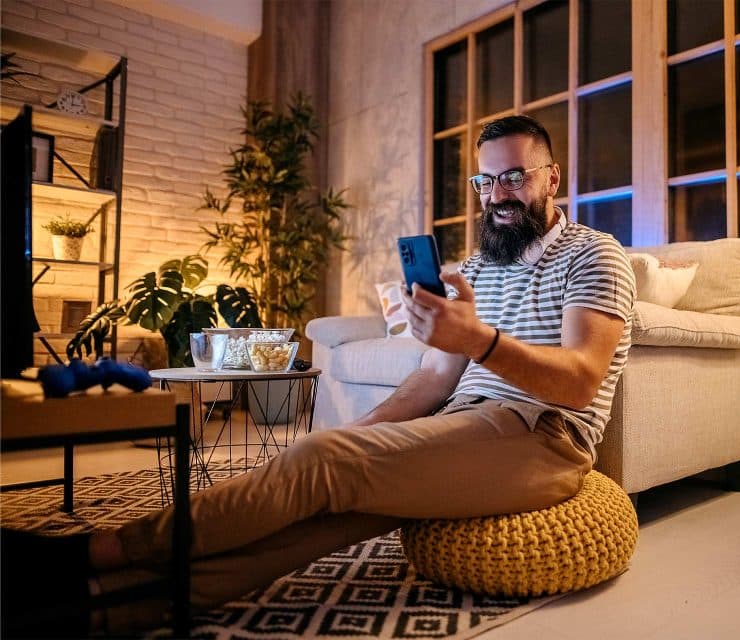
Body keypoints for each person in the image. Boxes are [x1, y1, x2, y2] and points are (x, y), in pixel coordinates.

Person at [2, 114, 636, 635]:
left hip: (543, 439)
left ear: (552, 177)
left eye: (515, 177)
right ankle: (104, 606)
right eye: (484, 180)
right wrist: (365, 432)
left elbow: (579, 381)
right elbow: (434, 382)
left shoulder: (593, 256)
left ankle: (94, 553)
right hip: (467, 425)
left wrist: (480, 340)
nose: (497, 193)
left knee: (324, 465)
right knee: (315, 516)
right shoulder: (481, 265)